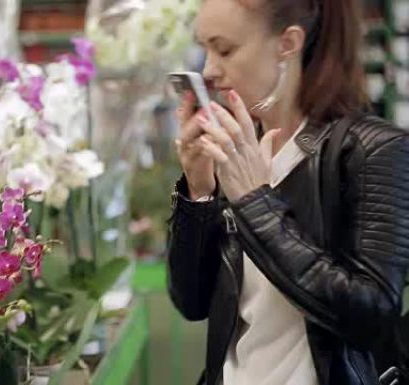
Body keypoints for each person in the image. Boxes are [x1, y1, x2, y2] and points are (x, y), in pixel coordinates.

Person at [167, 0, 409, 384]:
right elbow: (192, 302)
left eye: (225, 49)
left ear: (288, 44)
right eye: (205, 49)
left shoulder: (373, 151)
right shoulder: (239, 146)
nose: (209, 71)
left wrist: (254, 202)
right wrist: (198, 192)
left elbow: (371, 316)